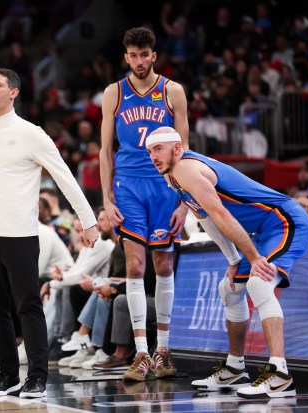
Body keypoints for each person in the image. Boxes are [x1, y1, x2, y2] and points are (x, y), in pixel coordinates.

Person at [146, 126, 308, 399]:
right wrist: (234, 258)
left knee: (259, 283)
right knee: (230, 289)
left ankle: (281, 375)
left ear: (177, 148)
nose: (153, 156)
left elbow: (220, 213)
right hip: (263, 230)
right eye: (150, 151)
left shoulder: (185, 168)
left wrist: (253, 257)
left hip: (284, 220)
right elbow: (206, 219)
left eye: (158, 149)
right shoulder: (173, 176)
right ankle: (236, 368)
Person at [0, 68, 99, 398]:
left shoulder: (32, 133)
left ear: (13, 92)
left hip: (20, 233)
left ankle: (37, 377)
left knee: (27, 305)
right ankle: (7, 374)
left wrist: (88, 220)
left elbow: (65, 177)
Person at [99, 27, 189, 382]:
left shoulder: (172, 91)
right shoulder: (114, 93)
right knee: (135, 266)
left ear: (154, 55)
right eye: (133, 55)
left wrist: (185, 200)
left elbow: (184, 150)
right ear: (126, 57)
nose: (139, 61)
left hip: (165, 185)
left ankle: (163, 351)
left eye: (144, 55)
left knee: (163, 264)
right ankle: (140, 354)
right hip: (129, 186)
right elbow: (106, 151)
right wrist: (106, 200)